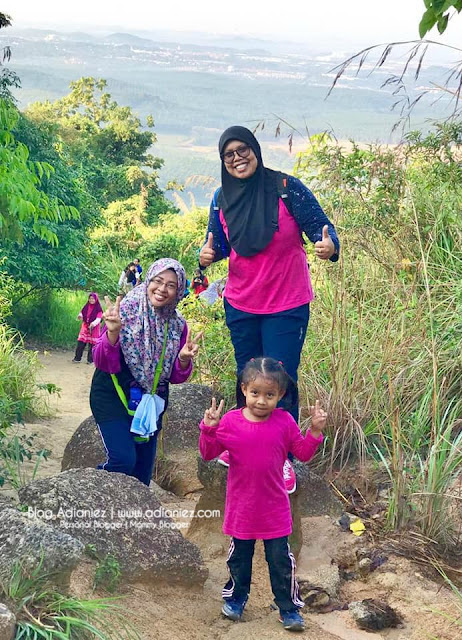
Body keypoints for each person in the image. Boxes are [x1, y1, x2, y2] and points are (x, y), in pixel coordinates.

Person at [199, 125, 339, 490]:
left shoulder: (286, 188)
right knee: (247, 376)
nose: (236, 158)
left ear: (256, 151)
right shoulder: (220, 198)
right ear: (223, 161)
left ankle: (283, 459)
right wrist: (208, 254)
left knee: (280, 379)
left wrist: (329, 247)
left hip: (286, 304)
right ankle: (239, 444)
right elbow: (220, 244)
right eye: (228, 154)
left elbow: (322, 229)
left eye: (242, 150)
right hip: (241, 303)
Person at [199, 357, 327, 632]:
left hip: (275, 509)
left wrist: (314, 430)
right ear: (244, 389)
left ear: (280, 395)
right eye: (255, 393)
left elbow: (302, 453)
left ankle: (288, 608)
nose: (261, 400)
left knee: (280, 560)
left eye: (269, 395)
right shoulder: (231, 422)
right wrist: (209, 428)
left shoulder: (284, 423)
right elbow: (208, 453)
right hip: (242, 508)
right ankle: (236, 599)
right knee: (239, 559)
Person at [90, 258, 202, 486]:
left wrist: (182, 359)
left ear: (179, 290)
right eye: (158, 281)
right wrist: (112, 333)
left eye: (171, 285)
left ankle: (128, 519)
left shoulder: (178, 325)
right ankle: (87, 492)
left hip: (150, 403)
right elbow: (102, 362)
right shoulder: (125, 311)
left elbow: (175, 377)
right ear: (148, 279)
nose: (162, 289)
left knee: (141, 477)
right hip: (113, 395)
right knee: (123, 460)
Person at [72, 293, 103, 364]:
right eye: (90, 298)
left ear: (96, 299)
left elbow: (99, 319)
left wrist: (93, 324)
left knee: (92, 345)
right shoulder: (86, 306)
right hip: (85, 326)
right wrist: (80, 316)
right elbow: (82, 313)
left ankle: (90, 360)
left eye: (93, 299)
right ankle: (77, 358)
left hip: (94, 328)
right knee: (81, 342)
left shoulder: (98, 309)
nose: (91, 300)